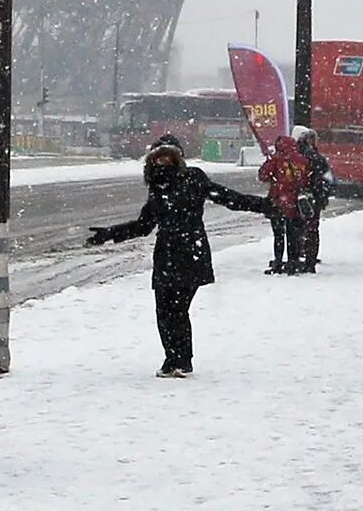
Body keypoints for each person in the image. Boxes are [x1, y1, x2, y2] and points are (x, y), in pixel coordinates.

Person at [87, 135, 271, 375]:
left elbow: (229, 198)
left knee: (175, 310)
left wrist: (265, 206)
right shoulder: (158, 187)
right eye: (158, 157)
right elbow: (144, 226)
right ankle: (177, 360)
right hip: (171, 254)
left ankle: (179, 360)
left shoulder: (193, 178)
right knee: (167, 311)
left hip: (187, 253)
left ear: (177, 158)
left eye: (168, 156)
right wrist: (110, 234)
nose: (163, 161)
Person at [259, 130, 313, 274]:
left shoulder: (276, 159)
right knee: (293, 234)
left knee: (278, 234)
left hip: (278, 201)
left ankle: (278, 261)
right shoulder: (302, 160)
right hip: (295, 203)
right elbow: (307, 180)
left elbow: (263, 175)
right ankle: (292, 261)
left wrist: (269, 164)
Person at [295, 129, 332, 273]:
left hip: (300, 196)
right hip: (313, 196)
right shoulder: (316, 157)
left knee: (298, 227)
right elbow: (326, 178)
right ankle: (310, 260)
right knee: (312, 229)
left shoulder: (297, 155)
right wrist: (323, 195)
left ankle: (299, 256)